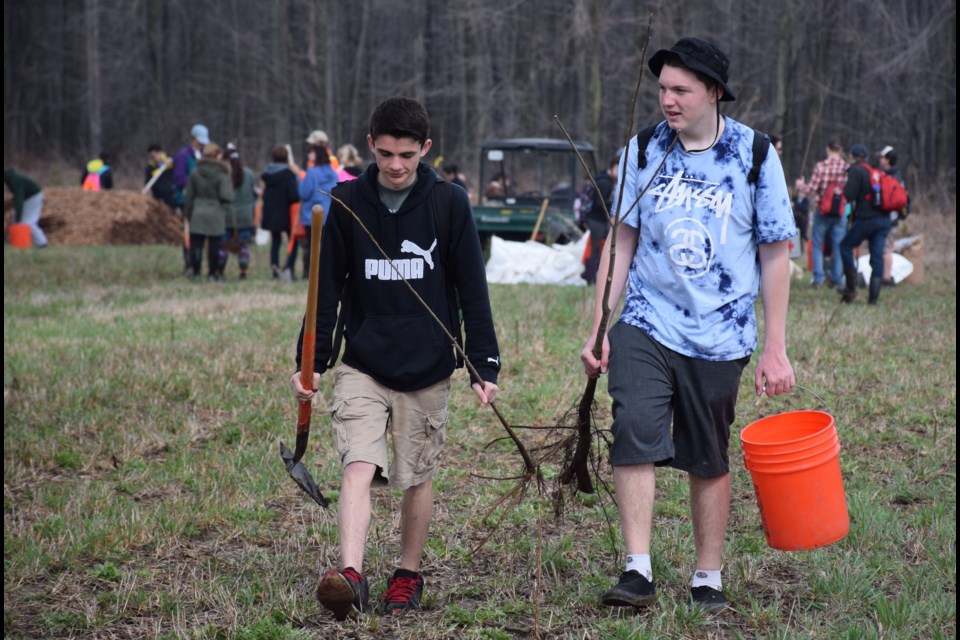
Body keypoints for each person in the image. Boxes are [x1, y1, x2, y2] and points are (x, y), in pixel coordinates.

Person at [580, 37, 796, 613]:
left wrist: (775, 346)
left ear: (714, 92)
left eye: (680, 90)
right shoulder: (645, 149)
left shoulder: (754, 154)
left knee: (708, 455)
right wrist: (602, 325)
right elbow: (621, 240)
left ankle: (707, 575)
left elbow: (776, 252)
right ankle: (637, 570)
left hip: (721, 334)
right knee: (634, 430)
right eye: (662, 90)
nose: (667, 101)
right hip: (647, 321)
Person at [290, 96, 500, 620]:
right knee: (358, 463)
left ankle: (407, 575)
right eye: (385, 153)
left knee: (415, 474)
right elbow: (326, 294)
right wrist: (310, 361)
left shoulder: (449, 203)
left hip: (427, 364)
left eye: (407, 154)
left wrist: (483, 362)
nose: (396, 165)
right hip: (362, 361)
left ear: (426, 148)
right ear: (370, 146)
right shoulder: (345, 203)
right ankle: (351, 576)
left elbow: (471, 287)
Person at [838, 144, 892, 305]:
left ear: (852, 157)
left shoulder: (855, 170)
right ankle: (873, 300)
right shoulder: (874, 172)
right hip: (883, 220)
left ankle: (850, 289)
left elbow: (848, 194)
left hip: (866, 219)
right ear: (866, 158)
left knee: (845, 247)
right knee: (877, 257)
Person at [286, 143, 338, 280]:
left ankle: (308, 273)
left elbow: (303, 193)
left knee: (312, 246)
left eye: (311, 152)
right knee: (327, 246)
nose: (309, 155)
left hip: (312, 215)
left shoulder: (312, 172)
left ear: (316, 155)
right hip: (329, 214)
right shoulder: (333, 172)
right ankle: (326, 273)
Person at [184, 142, 234, 281]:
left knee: (196, 245)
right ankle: (212, 274)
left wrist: (188, 214)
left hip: (198, 211)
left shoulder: (195, 172)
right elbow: (226, 196)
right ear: (217, 155)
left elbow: (189, 197)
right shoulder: (222, 174)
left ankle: (196, 273)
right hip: (215, 213)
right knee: (214, 246)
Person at [806, 138, 849, 290]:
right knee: (839, 246)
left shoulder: (821, 167)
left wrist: (801, 187)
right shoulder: (846, 168)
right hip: (840, 212)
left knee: (817, 244)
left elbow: (810, 189)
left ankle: (818, 278)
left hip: (822, 211)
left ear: (828, 149)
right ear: (841, 150)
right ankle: (837, 278)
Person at [217, 143, 260, 280]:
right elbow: (254, 196)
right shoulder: (248, 174)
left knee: (223, 246)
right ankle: (243, 273)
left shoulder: (223, 175)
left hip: (227, 216)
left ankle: (219, 272)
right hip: (245, 217)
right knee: (243, 247)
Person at [260, 145, 301, 279]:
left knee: (275, 242)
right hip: (287, 215)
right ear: (286, 158)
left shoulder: (267, 174)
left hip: (271, 214)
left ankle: (275, 269)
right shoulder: (288, 175)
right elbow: (293, 196)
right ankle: (289, 268)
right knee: (292, 243)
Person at [174, 124, 210, 272]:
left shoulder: (202, 155)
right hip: (186, 199)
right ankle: (189, 262)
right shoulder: (183, 156)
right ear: (193, 138)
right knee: (189, 233)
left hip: (201, 200)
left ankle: (197, 261)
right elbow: (179, 178)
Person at [580, 153, 619, 285]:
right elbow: (599, 204)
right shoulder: (604, 182)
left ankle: (592, 275)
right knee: (597, 250)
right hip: (598, 220)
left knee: (600, 249)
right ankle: (591, 277)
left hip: (600, 220)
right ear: (612, 167)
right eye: (617, 168)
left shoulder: (608, 181)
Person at [878, 145, 906, 286]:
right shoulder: (897, 175)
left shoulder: (890, 177)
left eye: (882, 157)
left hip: (888, 217)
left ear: (888, 160)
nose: (880, 160)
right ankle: (885, 275)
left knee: (886, 248)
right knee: (887, 246)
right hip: (893, 217)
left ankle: (886, 278)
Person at [4, 168, 49, 247]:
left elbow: (19, 199)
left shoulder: (14, 180)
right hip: (27, 198)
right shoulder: (10, 179)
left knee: (28, 222)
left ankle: (42, 243)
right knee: (17, 220)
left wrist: (18, 218)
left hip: (33, 197)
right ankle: (18, 244)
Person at [144, 144, 178, 209]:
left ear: (160, 152)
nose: (153, 159)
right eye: (151, 157)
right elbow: (147, 180)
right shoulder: (150, 167)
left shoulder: (171, 159)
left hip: (172, 194)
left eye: (154, 156)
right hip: (158, 197)